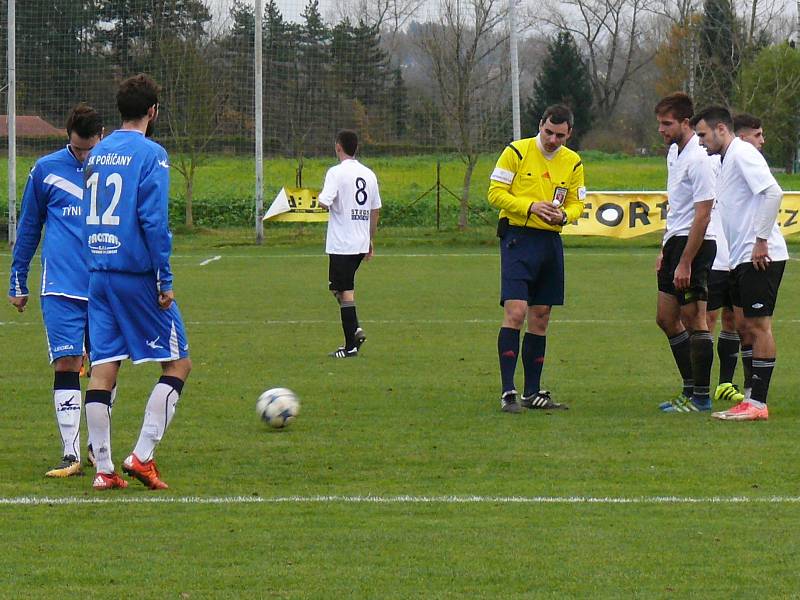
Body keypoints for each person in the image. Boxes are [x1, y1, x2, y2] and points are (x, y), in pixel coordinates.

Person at [83, 74, 191, 490]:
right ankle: (142, 457)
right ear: (153, 111)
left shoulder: (97, 152)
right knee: (178, 363)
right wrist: (164, 277)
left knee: (103, 368)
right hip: (136, 274)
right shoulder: (152, 154)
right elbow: (152, 220)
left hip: (99, 274)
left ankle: (105, 470)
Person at [8, 104, 103, 477]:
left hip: (105, 285)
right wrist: (18, 279)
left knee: (104, 368)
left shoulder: (113, 167)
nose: (83, 155)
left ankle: (100, 447)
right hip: (61, 286)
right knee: (67, 362)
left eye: (89, 148)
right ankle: (71, 453)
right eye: (78, 149)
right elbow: (29, 226)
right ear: (69, 137)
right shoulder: (46, 170)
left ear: (101, 137)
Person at [487, 104, 585, 413]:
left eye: (560, 135)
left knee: (541, 316)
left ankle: (532, 392)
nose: (553, 140)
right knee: (516, 313)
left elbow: (578, 203)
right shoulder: (516, 152)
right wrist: (530, 207)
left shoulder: (573, 162)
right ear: (539, 125)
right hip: (518, 238)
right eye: (548, 132)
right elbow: (495, 193)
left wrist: (564, 216)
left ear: (569, 134)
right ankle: (508, 391)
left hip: (550, 242)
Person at [692, 106, 787, 421]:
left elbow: (773, 192)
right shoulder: (726, 158)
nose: (701, 142)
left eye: (703, 135)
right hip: (743, 256)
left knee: (759, 326)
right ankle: (749, 399)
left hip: (760, 254)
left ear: (721, 129)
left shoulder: (742, 153)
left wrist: (761, 240)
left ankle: (758, 404)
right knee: (746, 325)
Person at [653, 92, 717, 413]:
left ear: (685, 122)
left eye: (667, 124)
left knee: (695, 318)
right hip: (676, 242)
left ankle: (701, 398)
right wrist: (666, 248)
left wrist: (686, 261)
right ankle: (690, 391)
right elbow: (676, 207)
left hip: (697, 244)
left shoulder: (700, 159)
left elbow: (703, 214)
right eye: (660, 124)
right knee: (666, 318)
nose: (662, 130)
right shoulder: (674, 154)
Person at [704, 112, 766, 405]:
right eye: (757, 136)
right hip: (716, 253)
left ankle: (744, 388)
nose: (761, 142)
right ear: (741, 137)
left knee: (742, 323)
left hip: (740, 254)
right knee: (709, 318)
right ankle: (703, 388)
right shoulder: (713, 159)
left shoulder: (744, 162)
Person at [318, 129, 381, 358]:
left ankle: (350, 345)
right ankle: (355, 329)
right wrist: (370, 238)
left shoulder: (336, 173)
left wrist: (321, 199)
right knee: (337, 287)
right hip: (359, 242)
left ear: (338, 147)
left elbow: (324, 202)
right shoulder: (369, 174)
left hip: (342, 243)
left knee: (345, 292)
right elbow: (375, 210)